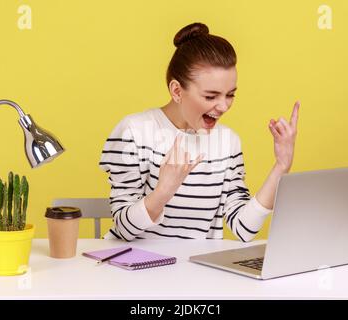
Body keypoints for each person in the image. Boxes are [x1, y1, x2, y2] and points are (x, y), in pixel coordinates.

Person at [99, 22, 300, 242]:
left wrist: (281, 165)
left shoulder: (227, 141)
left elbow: (244, 228)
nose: (223, 106)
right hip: (133, 267)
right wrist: (163, 191)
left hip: (196, 271)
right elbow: (125, 230)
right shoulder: (133, 132)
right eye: (210, 96)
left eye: (230, 95)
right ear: (177, 91)